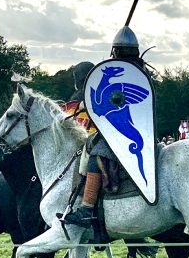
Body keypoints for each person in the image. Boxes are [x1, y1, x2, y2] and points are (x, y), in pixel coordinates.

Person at [62, 26, 153, 228]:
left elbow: (107, 105)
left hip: (123, 132)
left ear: (115, 50)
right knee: (91, 144)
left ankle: (86, 209)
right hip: (129, 130)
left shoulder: (129, 75)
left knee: (96, 156)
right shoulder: (139, 72)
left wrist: (88, 104)